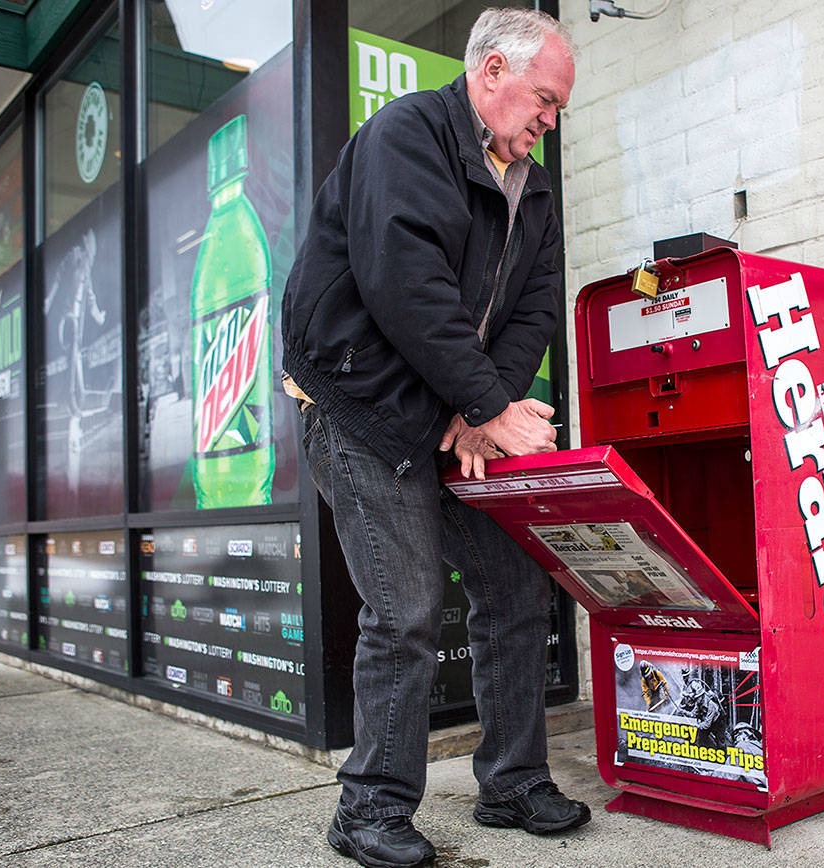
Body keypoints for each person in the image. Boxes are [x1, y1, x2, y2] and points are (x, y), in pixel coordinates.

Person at [279, 8, 584, 867]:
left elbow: (534, 307)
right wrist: (484, 405)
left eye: (557, 110)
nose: (548, 123)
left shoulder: (536, 185)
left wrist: (478, 406)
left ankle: (514, 781)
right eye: (544, 101)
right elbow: (402, 283)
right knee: (406, 607)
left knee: (516, 585)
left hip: (449, 412)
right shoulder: (406, 135)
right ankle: (369, 807)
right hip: (359, 405)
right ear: (491, 72)